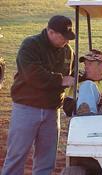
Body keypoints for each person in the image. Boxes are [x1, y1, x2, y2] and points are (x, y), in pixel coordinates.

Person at [2, 15, 75, 175]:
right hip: (26, 108)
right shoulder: (31, 45)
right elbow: (32, 75)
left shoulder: (68, 51)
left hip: (51, 111)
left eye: (68, 37)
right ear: (50, 31)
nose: (67, 41)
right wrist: (60, 80)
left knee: (46, 160)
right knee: (16, 156)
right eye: (63, 37)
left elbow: (73, 75)